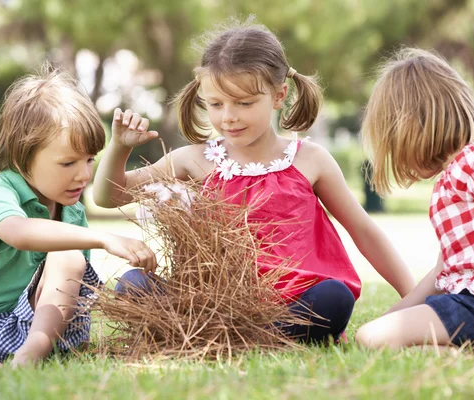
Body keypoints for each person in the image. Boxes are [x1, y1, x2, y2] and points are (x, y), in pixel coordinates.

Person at [93, 19, 414, 344]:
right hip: (213, 305)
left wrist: (412, 298)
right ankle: (238, 334)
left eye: (244, 103)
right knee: (134, 283)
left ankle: (243, 337)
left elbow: (363, 229)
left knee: (335, 297)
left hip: (293, 304)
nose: (228, 116)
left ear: (279, 95)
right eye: (216, 104)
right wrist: (119, 148)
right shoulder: (194, 159)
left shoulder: (309, 159)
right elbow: (109, 196)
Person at [0, 66, 156, 373]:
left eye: (89, 160)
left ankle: (29, 356)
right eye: (67, 163)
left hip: (32, 330)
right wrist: (104, 238)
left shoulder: (72, 212)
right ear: (22, 157)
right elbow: (18, 231)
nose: (83, 175)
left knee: (68, 256)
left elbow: (72, 290)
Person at [356, 48, 474, 350]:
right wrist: (394, 313)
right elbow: (443, 271)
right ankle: (472, 352)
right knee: (372, 334)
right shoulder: (453, 176)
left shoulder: (473, 159)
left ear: (416, 125)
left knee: (373, 339)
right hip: (472, 304)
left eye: (396, 144)